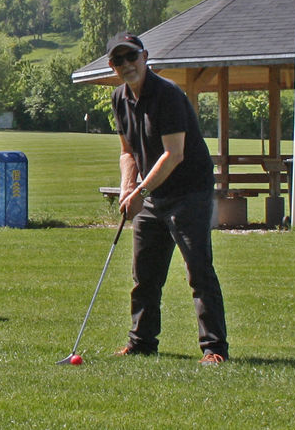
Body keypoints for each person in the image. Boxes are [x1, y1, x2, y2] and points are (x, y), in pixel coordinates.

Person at [106, 32, 229, 365]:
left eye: (132, 57)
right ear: (112, 66)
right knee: (144, 273)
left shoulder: (168, 95)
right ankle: (141, 342)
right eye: (119, 60)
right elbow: (127, 151)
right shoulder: (119, 98)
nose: (127, 64)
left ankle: (214, 348)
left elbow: (173, 154)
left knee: (198, 269)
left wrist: (140, 191)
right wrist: (126, 187)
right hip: (152, 192)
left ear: (145, 56)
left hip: (188, 191)